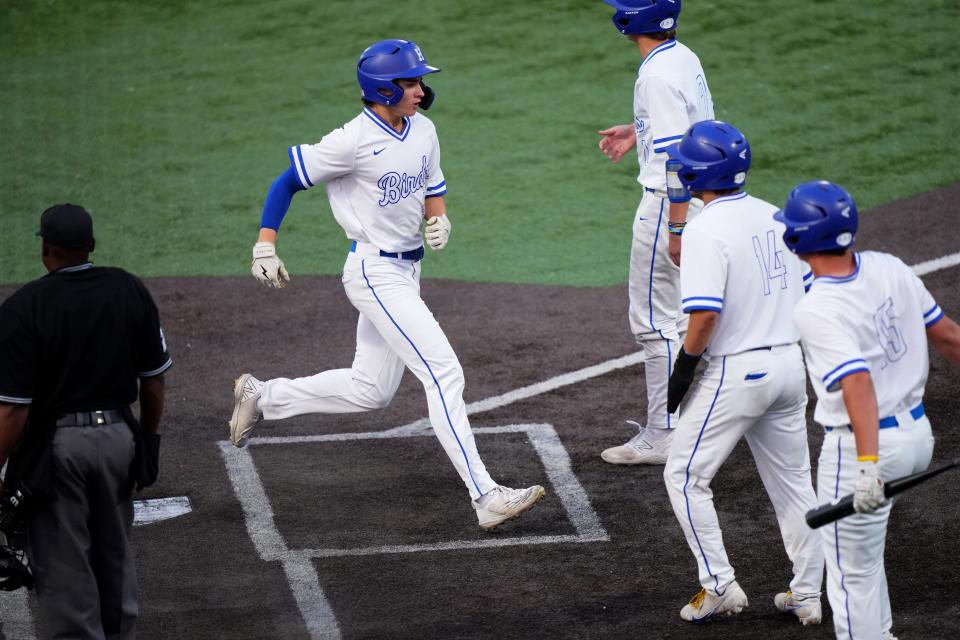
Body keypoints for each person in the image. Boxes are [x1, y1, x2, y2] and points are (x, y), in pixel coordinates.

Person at [227, 39, 545, 532]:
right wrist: (265, 245)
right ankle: (485, 495)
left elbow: (432, 183)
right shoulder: (350, 141)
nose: (421, 89)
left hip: (407, 272)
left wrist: (438, 218)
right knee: (444, 374)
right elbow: (285, 182)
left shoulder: (423, 129)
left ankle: (262, 395)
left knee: (371, 390)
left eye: (420, 80)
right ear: (382, 88)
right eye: (411, 82)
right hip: (374, 274)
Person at [775, 181, 960, 640]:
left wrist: (867, 468)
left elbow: (857, 384)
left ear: (797, 239)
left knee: (850, 574)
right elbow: (950, 338)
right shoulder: (890, 266)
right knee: (863, 561)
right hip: (918, 436)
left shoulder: (816, 308)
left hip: (863, 447)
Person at [660, 121, 823, 624]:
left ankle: (719, 586)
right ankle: (808, 595)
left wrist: (685, 368)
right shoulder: (774, 213)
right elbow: (811, 287)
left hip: (739, 374)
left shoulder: (706, 228)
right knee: (795, 486)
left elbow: (704, 315)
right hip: (790, 367)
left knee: (684, 476)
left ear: (696, 173)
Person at [0, 203, 170, 639]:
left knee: (65, 567)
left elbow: (14, 410)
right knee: (115, 554)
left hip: (58, 453)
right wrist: (147, 440)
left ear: (44, 249)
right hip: (118, 438)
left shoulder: (23, 308)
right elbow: (153, 383)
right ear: (91, 245)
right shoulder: (128, 289)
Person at [597, 0, 715, 465]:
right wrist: (638, 131)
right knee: (691, 315)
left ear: (632, 22)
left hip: (671, 206)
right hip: (703, 200)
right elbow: (686, 130)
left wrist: (677, 227)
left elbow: (676, 161)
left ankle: (665, 432)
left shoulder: (655, 75)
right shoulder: (681, 56)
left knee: (655, 323)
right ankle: (705, 413)